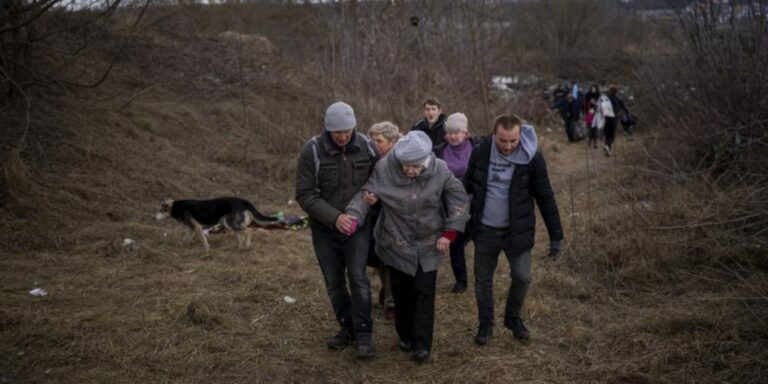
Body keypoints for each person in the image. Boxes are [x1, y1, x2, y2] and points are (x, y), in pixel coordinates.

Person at [345, 131, 469, 363]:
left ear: (426, 161)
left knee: (424, 292)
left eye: (416, 167)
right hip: (395, 242)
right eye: (406, 167)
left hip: (429, 242)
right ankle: (405, 336)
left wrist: (449, 233)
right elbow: (366, 194)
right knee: (401, 293)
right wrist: (354, 216)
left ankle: (422, 345)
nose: (411, 171)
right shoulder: (384, 168)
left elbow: (458, 199)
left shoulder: (440, 169)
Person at [463, 114, 564, 346]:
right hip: (485, 230)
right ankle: (485, 325)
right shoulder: (481, 151)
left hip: (517, 231)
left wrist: (556, 236)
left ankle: (512, 318)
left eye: (512, 141)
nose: (507, 146)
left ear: (520, 136)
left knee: (522, 277)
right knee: (483, 281)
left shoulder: (532, 158)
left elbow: (545, 197)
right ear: (493, 134)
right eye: (502, 141)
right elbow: (467, 183)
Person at [295, 101, 379, 358]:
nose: (343, 136)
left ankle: (364, 335)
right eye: (337, 132)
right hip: (325, 229)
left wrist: (373, 196)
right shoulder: (312, 151)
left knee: (359, 278)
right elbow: (305, 194)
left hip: (358, 227)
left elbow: (379, 179)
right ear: (327, 129)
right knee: (334, 283)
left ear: (354, 126)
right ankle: (347, 329)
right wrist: (335, 218)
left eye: (347, 131)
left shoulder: (367, 146)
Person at [433, 112, 473, 294]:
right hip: (450, 205)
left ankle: (483, 276)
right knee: (456, 243)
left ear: (465, 133)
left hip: (474, 201)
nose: (453, 136)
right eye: (450, 132)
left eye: (457, 132)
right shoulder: (439, 151)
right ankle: (461, 280)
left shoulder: (476, 147)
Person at [366, 121, 401, 321]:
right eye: (372, 140)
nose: (374, 144)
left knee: (390, 259)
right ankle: (386, 288)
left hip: (394, 216)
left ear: (392, 141)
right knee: (377, 257)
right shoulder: (372, 157)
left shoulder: (401, 160)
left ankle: (392, 301)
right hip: (374, 214)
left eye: (379, 141)